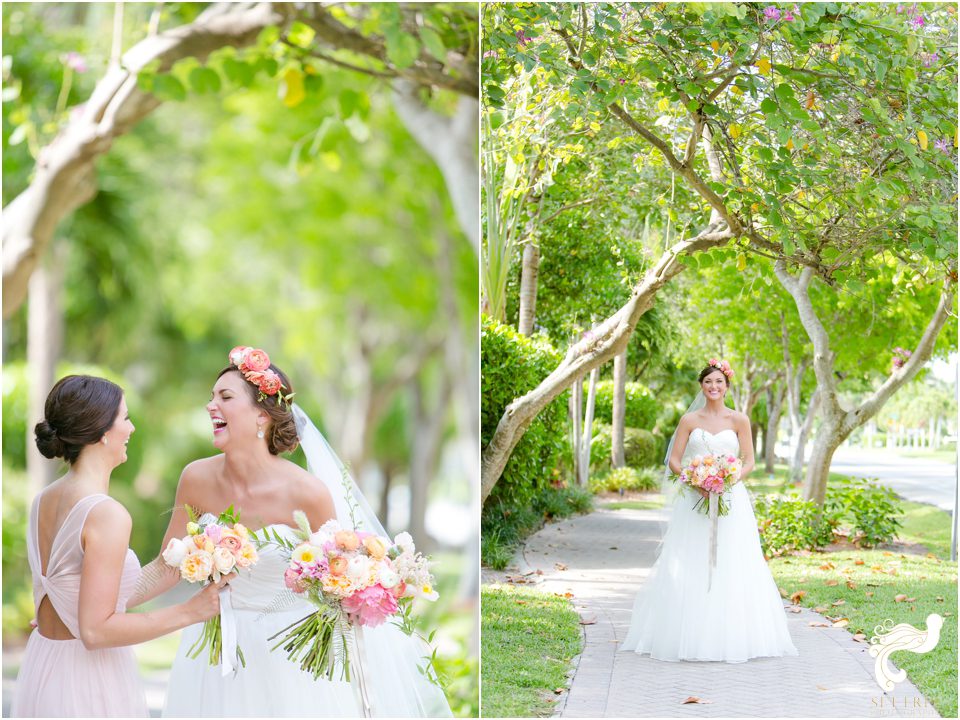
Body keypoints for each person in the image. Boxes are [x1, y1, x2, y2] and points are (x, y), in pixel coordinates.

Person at [130, 346, 451, 717]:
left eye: (225, 396)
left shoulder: (307, 493)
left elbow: (337, 580)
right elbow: (167, 566)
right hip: (217, 656)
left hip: (289, 659)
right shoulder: (196, 479)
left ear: (262, 417)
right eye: (211, 396)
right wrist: (101, 603)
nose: (210, 405)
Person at [12, 375, 226, 718]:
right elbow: (96, 630)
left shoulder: (44, 500)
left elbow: (84, 595)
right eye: (125, 418)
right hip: (86, 681)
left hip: (47, 664)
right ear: (102, 432)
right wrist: (191, 611)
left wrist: (193, 549)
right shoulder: (106, 514)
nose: (132, 428)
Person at [620, 360, 798, 663]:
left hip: (732, 499)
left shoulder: (739, 420)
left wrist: (728, 480)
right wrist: (696, 480)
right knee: (691, 557)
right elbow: (675, 460)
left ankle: (733, 635)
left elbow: (749, 460)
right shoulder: (689, 420)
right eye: (707, 383)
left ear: (727, 385)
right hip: (694, 498)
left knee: (734, 559)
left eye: (718, 382)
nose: (713, 387)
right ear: (701, 387)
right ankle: (683, 634)